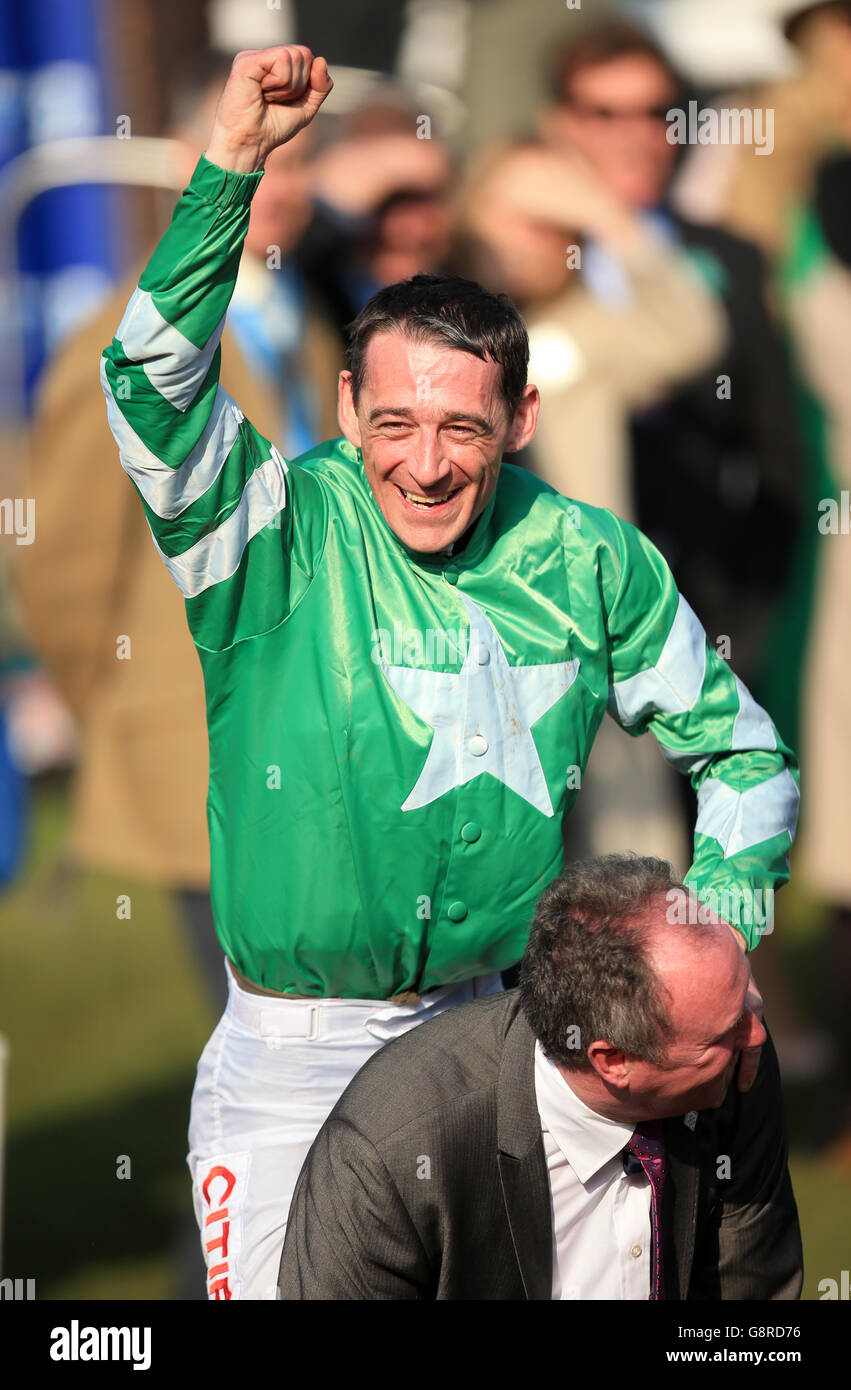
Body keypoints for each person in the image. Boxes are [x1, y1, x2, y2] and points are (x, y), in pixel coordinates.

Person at [100, 45, 799, 1300]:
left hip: (507, 1042)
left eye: (464, 427)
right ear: (345, 402)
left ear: (518, 419)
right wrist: (231, 165)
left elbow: (742, 752)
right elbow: (147, 378)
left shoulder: (588, 557)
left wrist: (719, 912)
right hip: (293, 1054)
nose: (425, 464)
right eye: (394, 424)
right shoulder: (269, 529)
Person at [279, 853, 803, 1301]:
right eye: (729, 1028)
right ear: (612, 1060)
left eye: (748, 1003)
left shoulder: (733, 1064)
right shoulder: (389, 1156)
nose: (755, 1034)